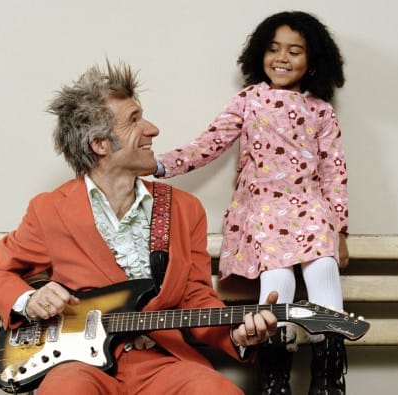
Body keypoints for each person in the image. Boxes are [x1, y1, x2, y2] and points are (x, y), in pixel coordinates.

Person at [0, 61, 279, 395]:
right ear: (100, 144)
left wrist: (235, 333)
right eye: (134, 120)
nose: (153, 129)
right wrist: (29, 300)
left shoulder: (183, 210)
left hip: (162, 361)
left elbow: (195, 296)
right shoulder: (50, 210)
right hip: (79, 367)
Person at [154, 11, 350, 395]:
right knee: (277, 280)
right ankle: (274, 380)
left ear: (312, 62)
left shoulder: (321, 112)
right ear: (260, 53)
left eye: (295, 51)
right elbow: (208, 144)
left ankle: (328, 381)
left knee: (323, 269)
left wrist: (340, 230)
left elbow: (334, 173)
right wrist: (160, 164)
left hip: (311, 211)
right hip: (264, 212)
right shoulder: (249, 101)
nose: (282, 58)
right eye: (274, 48)